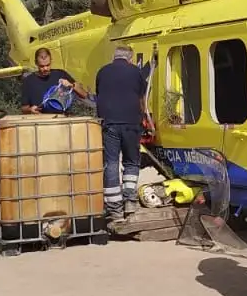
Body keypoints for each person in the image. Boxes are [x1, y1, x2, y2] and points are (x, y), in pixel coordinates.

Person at [94, 46, 150, 219]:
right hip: (131, 123)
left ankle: (114, 207)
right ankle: (130, 201)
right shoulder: (136, 72)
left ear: (114, 57)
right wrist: (145, 118)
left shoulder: (102, 72)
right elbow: (142, 98)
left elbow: (99, 94)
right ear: (130, 59)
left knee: (111, 163)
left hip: (109, 123)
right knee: (131, 162)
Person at [19, 47, 90, 114]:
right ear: (36, 63)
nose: (45, 68)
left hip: (61, 119)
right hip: (40, 121)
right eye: (42, 66)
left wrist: (71, 85)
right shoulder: (28, 81)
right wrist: (30, 110)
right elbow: (24, 108)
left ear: (51, 61)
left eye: (48, 65)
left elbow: (84, 95)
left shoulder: (60, 74)